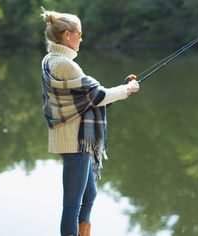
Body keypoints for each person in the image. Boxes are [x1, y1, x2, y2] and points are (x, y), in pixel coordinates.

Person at [41, 7, 139, 236]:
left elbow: (87, 98)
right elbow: (98, 96)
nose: (81, 39)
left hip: (74, 137)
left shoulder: (51, 59)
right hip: (75, 140)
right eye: (79, 34)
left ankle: (83, 231)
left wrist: (122, 88)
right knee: (72, 205)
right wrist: (127, 89)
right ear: (67, 34)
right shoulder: (64, 64)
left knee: (89, 194)